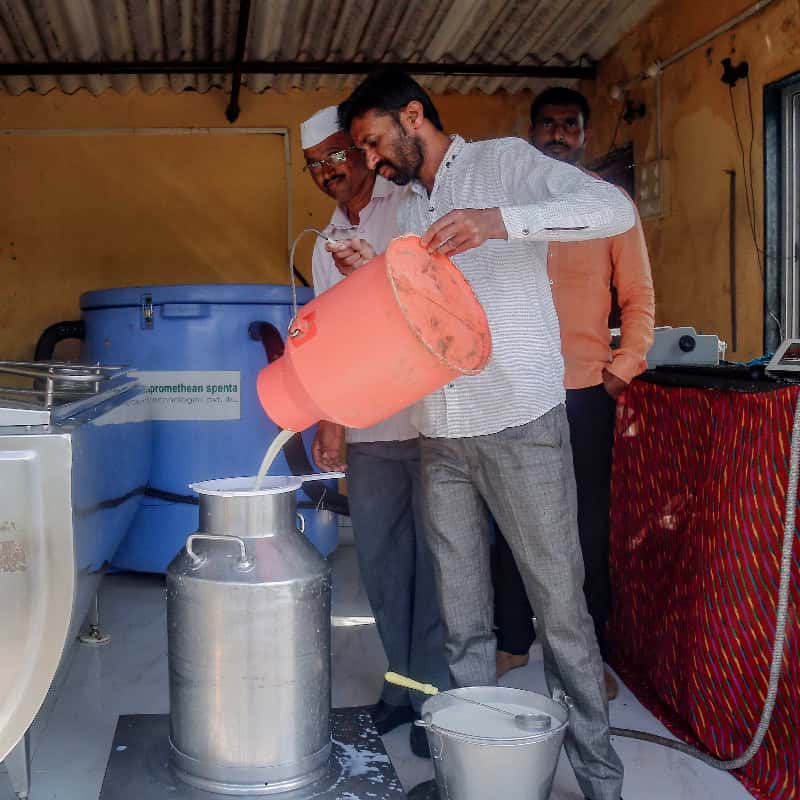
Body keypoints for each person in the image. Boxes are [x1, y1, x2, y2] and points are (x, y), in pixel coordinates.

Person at [333, 69, 633, 800]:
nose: (372, 162)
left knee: (560, 613)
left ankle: (602, 783)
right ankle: (479, 780)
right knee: (463, 627)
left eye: (374, 143)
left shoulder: (504, 161)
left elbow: (613, 208)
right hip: (442, 435)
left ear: (413, 115)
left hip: (520, 424)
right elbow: (417, 314)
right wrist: (374, 273)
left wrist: (504, 221)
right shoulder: (407, 212)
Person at [492, 88, 655, 698]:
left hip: (586, 388)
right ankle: (512, 641)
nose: (558, 134)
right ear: (531, 131)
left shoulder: (609, 205)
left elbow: (638, 294)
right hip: (513, 389)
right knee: (510, 519)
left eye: (569, 125)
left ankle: (590, 657)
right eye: (548, 125)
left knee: (586, 527)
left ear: (584, 134)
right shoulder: (504, 206)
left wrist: (625, 364)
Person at [300, 106, 449, 759]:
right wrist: (329, 420)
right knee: (384, 566)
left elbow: (428, 299)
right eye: (314, 166)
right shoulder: (322, 241)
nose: (328, 172)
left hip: (431, 419)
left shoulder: (411, 207)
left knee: (438, 565)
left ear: (362, 149)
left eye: (337, 154)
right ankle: (401, 685)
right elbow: (330, 335)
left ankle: (436, 700)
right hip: (368, 425)